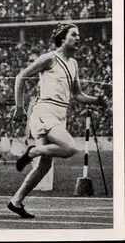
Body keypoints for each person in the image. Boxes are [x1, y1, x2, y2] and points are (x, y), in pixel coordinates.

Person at [8, 23, 109, 218]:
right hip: (45, 111)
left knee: (44, 166)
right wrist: (19, 107)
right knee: (70, 148)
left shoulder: (73, 64)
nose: (78, 38)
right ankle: (33, 151)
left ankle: (16, 201)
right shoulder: (50, 58)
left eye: (78, 35)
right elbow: (21, 77)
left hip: (59, 114)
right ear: (62, 38)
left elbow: (78, 95)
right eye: (74, 35)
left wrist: (96, 100)